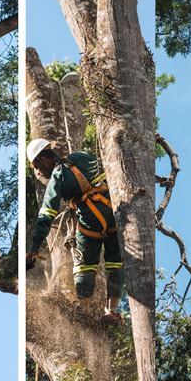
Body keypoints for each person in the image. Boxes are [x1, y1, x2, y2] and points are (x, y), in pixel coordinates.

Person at [26, 138, 125, 321]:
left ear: (43, 160)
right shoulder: (83, 156)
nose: (39, 172)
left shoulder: (58, 175)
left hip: (90, 224)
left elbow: (46, 214)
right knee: (116, 266)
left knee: (83, 268)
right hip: (116, 215)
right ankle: (111, 310)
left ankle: (84, 311)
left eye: (37, 168)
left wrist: (34, 248)